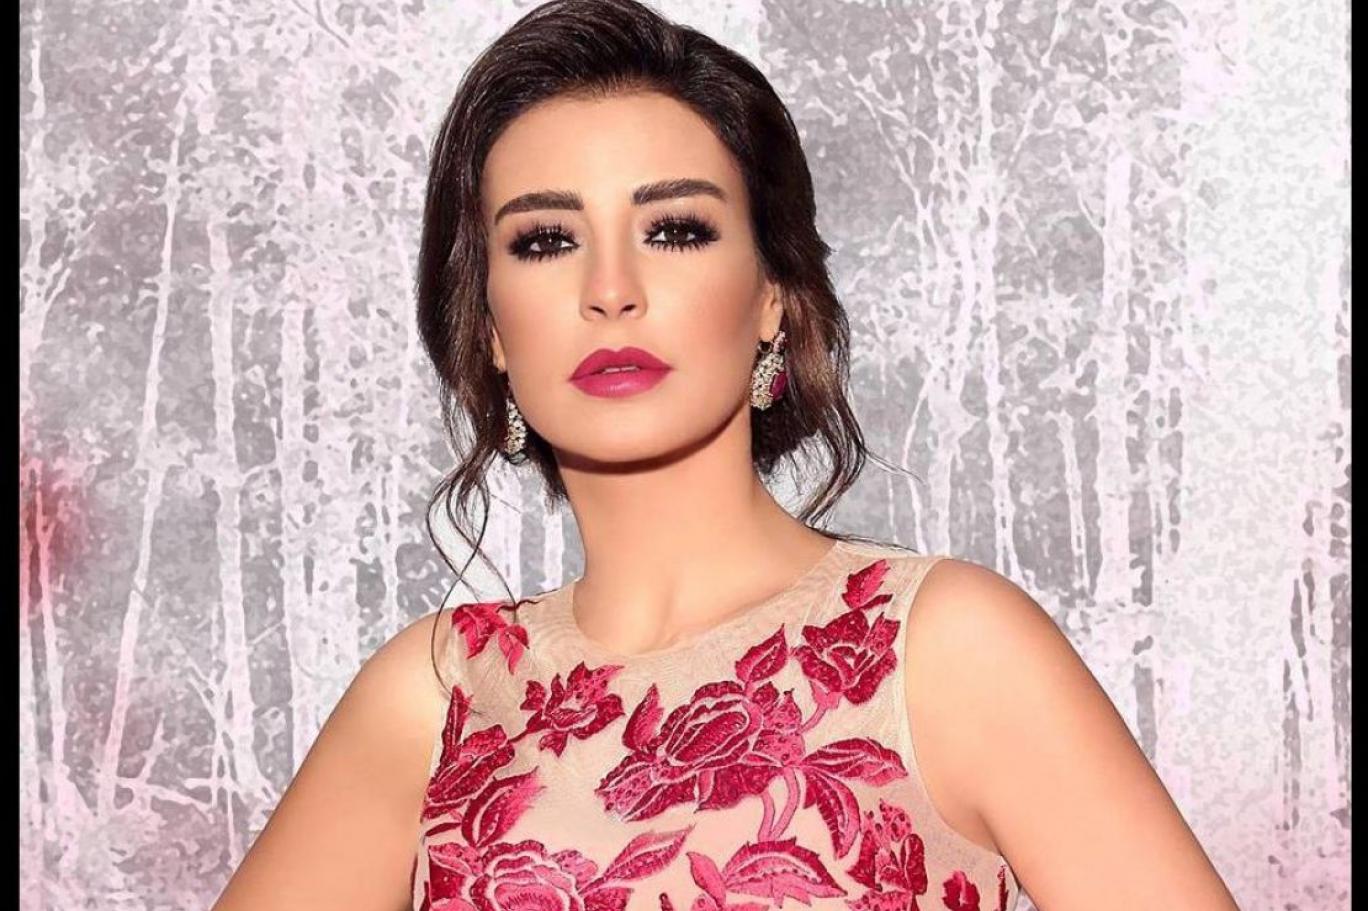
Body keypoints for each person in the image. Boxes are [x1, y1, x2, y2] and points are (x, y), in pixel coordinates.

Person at [211, 1, 1241, 909]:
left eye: (674, 230)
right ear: (488, 329)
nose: (610, 290)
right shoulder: (436, 697)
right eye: (545, 241)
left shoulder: (946, 650)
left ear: (771, 298)